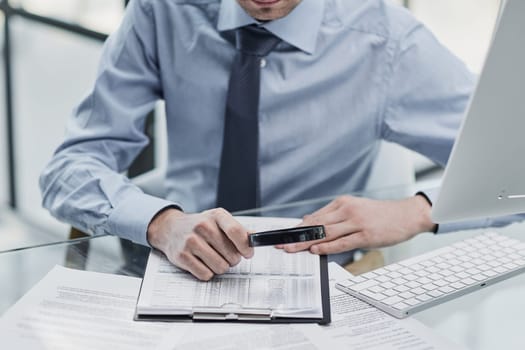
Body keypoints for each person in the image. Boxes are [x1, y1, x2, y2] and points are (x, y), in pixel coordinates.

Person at [40, 0, 475, 280]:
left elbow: (515, 172)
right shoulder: (162, 12)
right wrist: (161, 224)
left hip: (331, 284)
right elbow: (68, 170)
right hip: (178, 271)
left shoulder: (388, 41)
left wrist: (420, 211)